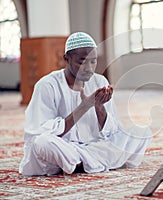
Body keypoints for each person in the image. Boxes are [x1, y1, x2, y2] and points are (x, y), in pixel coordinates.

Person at [19, 32, 152, 176]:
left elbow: (112, 131)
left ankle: (80, 165)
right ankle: (91, 162)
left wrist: (99, 107)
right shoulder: (47, 85)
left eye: (93, 61)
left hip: (93, 147)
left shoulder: (100, 81)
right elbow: (41, 132)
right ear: (66, 59)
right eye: (82, 62)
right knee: (42, 143)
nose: (89, 68)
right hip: (64, 148)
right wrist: (85, 106)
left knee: (141, 133)